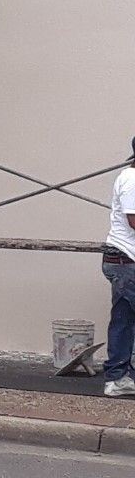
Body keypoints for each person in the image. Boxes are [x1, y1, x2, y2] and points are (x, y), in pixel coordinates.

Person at [103, 138, 135, 397]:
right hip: (126, 261)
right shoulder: (132, 179)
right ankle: (117, 376)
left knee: (124, 319)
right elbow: (134, 220)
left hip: (123, 260)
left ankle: (118, 377)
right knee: (124, 320)